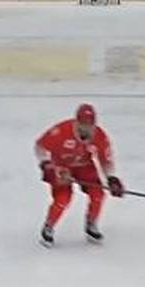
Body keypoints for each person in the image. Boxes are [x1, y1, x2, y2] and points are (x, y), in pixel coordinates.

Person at [33, 103, 124, 247]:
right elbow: (40, 146)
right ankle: (49, 226)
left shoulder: (100, 136)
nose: (87, 129)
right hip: (61, 166)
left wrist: (111, 178)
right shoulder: (61, 131)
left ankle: (91, 224)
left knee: (98, 194)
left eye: (90, 126)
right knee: (63, 198)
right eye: (83, 125)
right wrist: (46, 164)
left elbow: (105, 160)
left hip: (85, 166)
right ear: (77, 122)